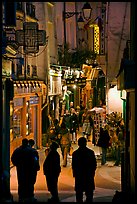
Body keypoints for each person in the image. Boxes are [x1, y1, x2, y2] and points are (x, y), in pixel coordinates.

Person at [72, 137, 97, 202]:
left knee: (79, 195)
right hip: (88, 175)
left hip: (79, 176)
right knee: (89, 195)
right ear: (86, 143)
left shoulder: (75, 154)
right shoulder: (90, 153)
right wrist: (92, 173)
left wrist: (75, 174)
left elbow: (74, 165)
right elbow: (94, 164)